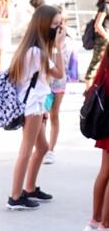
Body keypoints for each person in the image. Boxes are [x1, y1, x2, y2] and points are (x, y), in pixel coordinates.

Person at [7, 5, 65, 210]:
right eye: (55, 24)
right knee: (27, 149)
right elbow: (59, 74)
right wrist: (58, 46)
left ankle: (29, 188)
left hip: (37, 104)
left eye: (60, 24)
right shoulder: (35, 52)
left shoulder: (35, 49)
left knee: (41, 147)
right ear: (43, 24)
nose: (59, 29)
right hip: (32, 106)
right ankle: (15, 196)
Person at [82, 43, 109, 231]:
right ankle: (105, 226)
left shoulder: (107, 53)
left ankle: (94, 221)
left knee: (104, 172)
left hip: (105, 122)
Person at [44, 13, 72, 165]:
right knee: (42, 117)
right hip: (44, 85)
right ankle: (42, 147)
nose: (58, 26)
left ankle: (50, 149)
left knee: (54, 115)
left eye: (60, 23)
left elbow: (64, 64)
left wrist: (58, 45)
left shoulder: (65, 41)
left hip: (58, 84)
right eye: (55, 23)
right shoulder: (43, 40)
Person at [84, 0, 109, 88]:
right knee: (95, 65)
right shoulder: (105, 6)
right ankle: (88, 91)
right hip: (103, 40)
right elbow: (98, 25)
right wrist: (107, 37)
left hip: (105, 39)